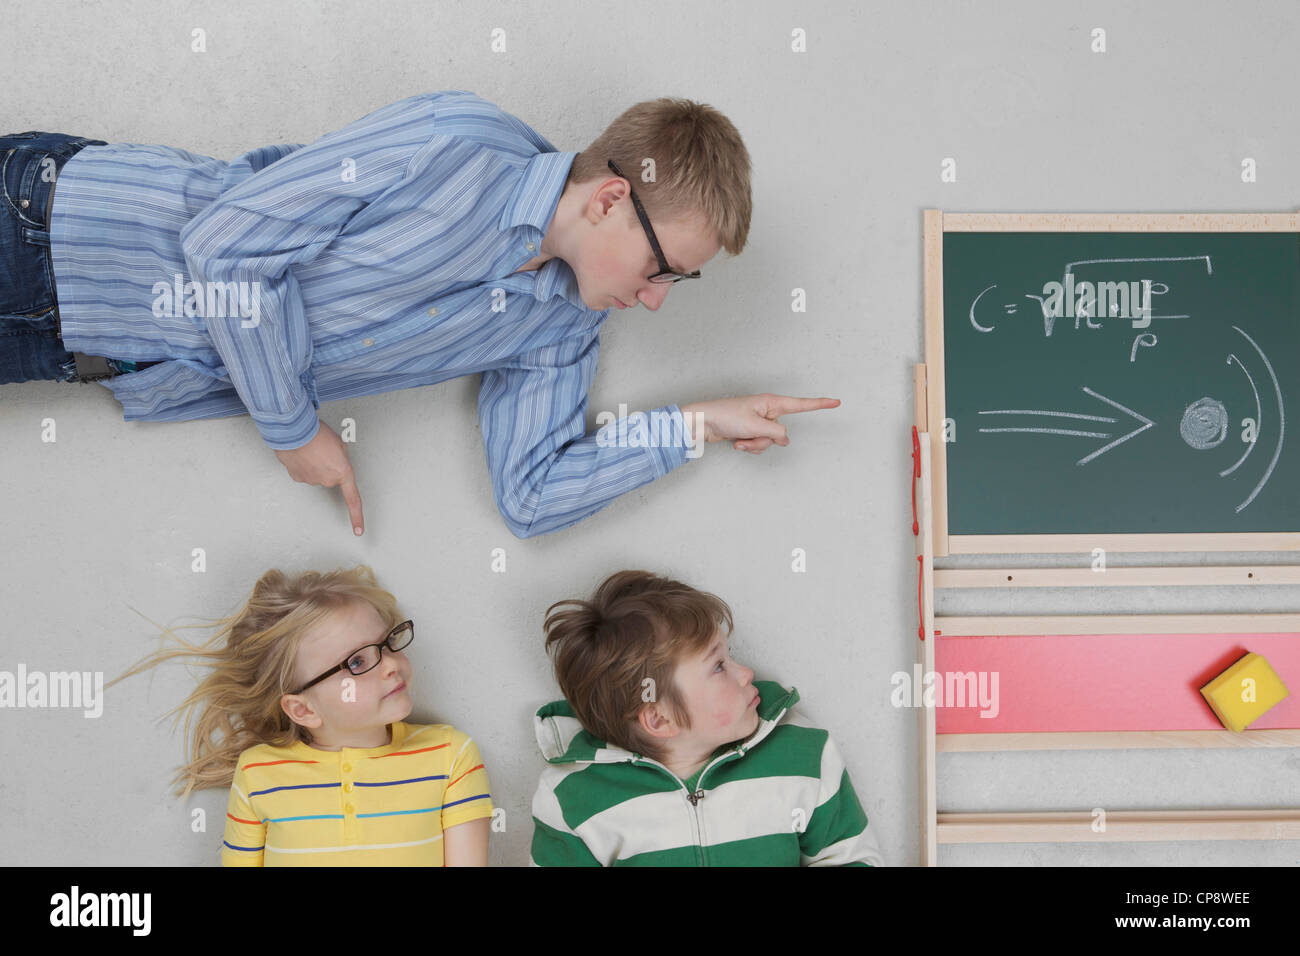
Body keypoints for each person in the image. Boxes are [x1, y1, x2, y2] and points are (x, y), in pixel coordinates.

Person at [1, 92, 839, 538]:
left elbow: (534, 496)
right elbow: (226, 245)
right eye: (661, 270)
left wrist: (698, 424)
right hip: (51, 230)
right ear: (611, 199)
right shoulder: (454, 143)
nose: (654, 299)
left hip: (76, 354)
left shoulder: (562, 328)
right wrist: (294, 429)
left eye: (675, 285)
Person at [111, 565, 492, 866]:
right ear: (303, 709)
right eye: (357, 661)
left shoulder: (450, 755)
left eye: (388, 643)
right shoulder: (257, 774)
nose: (391, 665)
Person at [529, 569, 884, 866]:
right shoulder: (571, 799)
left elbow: (850, 857)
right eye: (718, 666)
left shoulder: (802, 756)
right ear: (659, 719)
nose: (746, 673)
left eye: (729, 656)